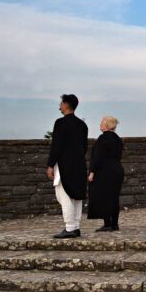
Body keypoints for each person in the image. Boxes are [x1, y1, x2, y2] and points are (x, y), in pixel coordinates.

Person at [46, 94, 88, 239]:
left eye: (61, 103)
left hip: (65, 165)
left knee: (64, 195)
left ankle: (69, 227)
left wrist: (50, 164)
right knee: (76, 196)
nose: (59, 105)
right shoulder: (82, 125)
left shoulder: (60, 123)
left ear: (65, 104)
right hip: (79, 164)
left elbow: (56, 146)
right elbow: (84, 147)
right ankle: (75, 226)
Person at [87, 116, 124, 232]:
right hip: (117, 170)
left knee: (104, 196)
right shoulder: (118, 139)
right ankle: (114, 224)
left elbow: (98, 158)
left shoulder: (102, 139)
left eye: (102, 123)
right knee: (114, 197)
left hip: (105, 171)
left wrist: (92, 172)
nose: (100, 125)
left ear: (107, 125)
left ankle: (108, 224)